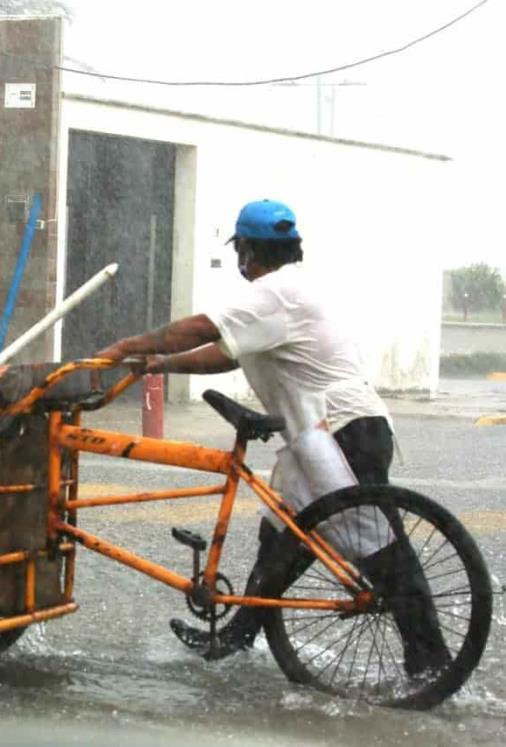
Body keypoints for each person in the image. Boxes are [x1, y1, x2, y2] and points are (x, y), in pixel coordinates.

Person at [94, 199, 449, 674]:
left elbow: (202, 329)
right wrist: (162, 364)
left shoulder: (275, 292)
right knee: (280, 537)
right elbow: (226, 354)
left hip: (342, 432)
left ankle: (432, 664)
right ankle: (239, 636)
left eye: (241, 249)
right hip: (323, 434)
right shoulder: (288, 293)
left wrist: (126, 347)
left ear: (247, 251)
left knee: (381, 548)